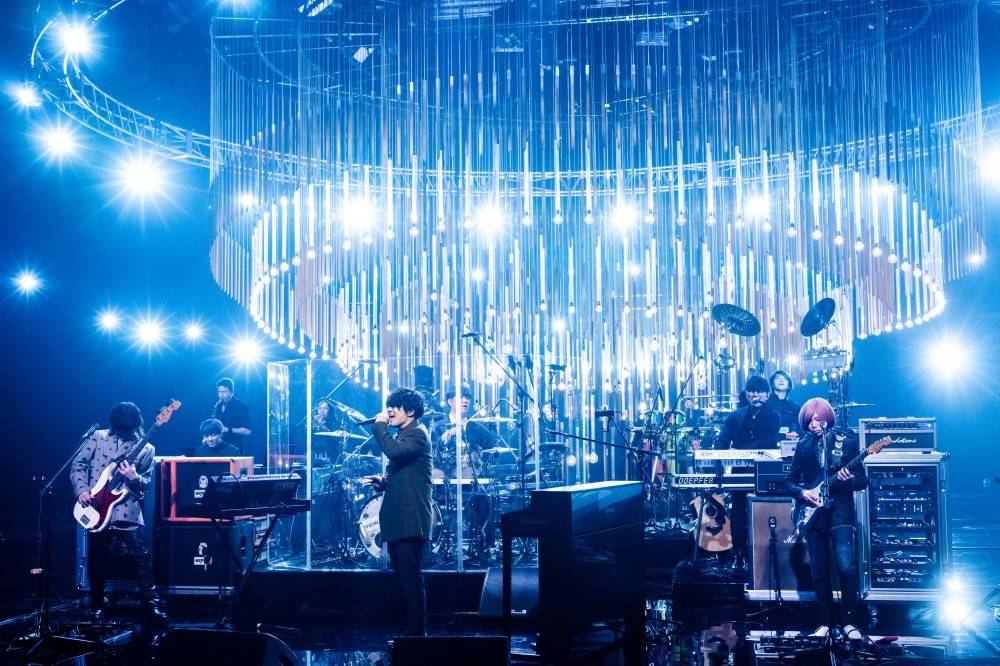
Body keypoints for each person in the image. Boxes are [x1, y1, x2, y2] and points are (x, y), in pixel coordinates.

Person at [70, 402, 167, 624]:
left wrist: (134, 477)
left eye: (128, 430)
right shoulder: (98, 437)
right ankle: (96, 603)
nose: (123, 434)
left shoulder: (147, 449)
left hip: (127, 511)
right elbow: (78, 464)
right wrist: (82, 489)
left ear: (136, 425)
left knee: (142, 557)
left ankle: (150, 605)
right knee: (97, 559)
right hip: (96, 507)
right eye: (120, 429)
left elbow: (146, 485)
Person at [784, 397, 868, 639]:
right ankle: (825, 622)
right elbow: (789, 482)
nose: (814, 424)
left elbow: (862, 481)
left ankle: (850, 623)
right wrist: (803, 493)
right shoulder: (802, 446)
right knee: (819, 571)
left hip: (840, 512)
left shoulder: (846, 441)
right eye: (810, 420)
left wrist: (848, 480)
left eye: (818, 419)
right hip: (813, 515)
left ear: (827, 419)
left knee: (845, 566)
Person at [366, 387, 434, 636]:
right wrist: (384, 482)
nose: (389, 411)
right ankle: (409, 633)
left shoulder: (417, 433)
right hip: (401, 520)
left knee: (410, 580)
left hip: (410, 520)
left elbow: (393, 451)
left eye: (395, 406)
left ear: (411, 411)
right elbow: (406, 474)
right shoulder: (405, 434)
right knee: (403, 581)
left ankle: (416, 636)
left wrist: (379, 426)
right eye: (388, 406)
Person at [432, 383, 496, 477]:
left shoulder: (481, 431)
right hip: (444, 481)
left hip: (472, 480)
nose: (465, 400)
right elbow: (431, 457)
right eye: (461, 397)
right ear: (450, 401)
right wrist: (444, 438)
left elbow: (489, 459)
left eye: (467, 397)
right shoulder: (436, 428)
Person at [717, 375, 781, 450]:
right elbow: (722, 440)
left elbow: (764, 442)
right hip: (737, 457)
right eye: (752, 391)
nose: (755, 395)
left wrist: (740, 453)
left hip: (764, 457)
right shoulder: (735, 415)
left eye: (760, 392)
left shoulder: (773, 416)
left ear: (768, 395)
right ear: (746, 394)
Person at [213, 377, 252, 452]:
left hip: (234, 447)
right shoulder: (218, 406)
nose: (221, 395)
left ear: (232, 392)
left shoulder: (242, 406)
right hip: (219, 446)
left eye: (224, 392)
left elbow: (248, 431)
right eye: (219, 392)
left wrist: (228, 429)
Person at [767, 370, 802, 436]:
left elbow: (802, 426)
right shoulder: (765, 403)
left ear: (789, 386)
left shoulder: (794, 407)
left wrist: (796, 433)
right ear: (772, 384)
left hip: (787, 440)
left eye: (785, 379)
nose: (781, 380)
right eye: (778, 378)